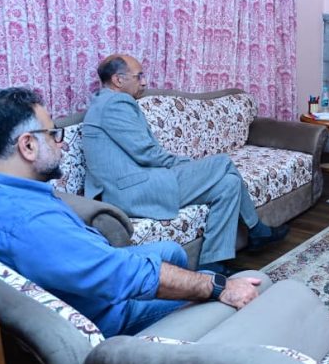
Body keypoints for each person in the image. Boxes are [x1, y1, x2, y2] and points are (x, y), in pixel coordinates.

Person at [0, 88, 263, 337]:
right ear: (28, 145)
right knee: (240, 283)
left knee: (172, 250)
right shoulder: (30, 222)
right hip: (110, 312)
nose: (61, 143)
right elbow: (121, 275)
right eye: (54, 134)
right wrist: (216, 287)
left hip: (90, 270)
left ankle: (240, 247)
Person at [81, 54, 286, 273]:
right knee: (223, 163)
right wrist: (187, 164)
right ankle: (257, 229)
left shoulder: (104, 102)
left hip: (139, 183)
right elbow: (147, 153)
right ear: (118, 80)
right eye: (138, 76)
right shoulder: (116, 104)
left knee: (228, 184)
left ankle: (213, 263)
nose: (144, 82)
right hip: (134, 191)